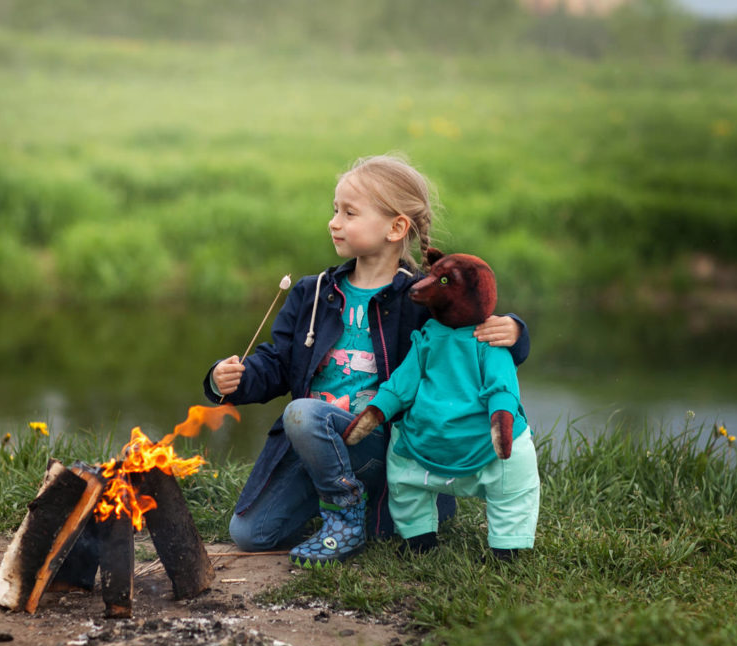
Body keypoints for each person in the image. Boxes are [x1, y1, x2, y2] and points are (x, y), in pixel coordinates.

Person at [202, 154, 530, 568]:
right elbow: (278, 363)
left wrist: (514, 331)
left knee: (303, 413)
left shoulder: (422, 299)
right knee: (250, 535)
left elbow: (475, 335)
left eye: (349, 213)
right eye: (334, 210)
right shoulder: (314, 292)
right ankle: (351, 503)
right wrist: (230, 379)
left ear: (396, 228)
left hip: (385, 444)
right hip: (314, 445)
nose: (334, 222)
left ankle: (348, 513)